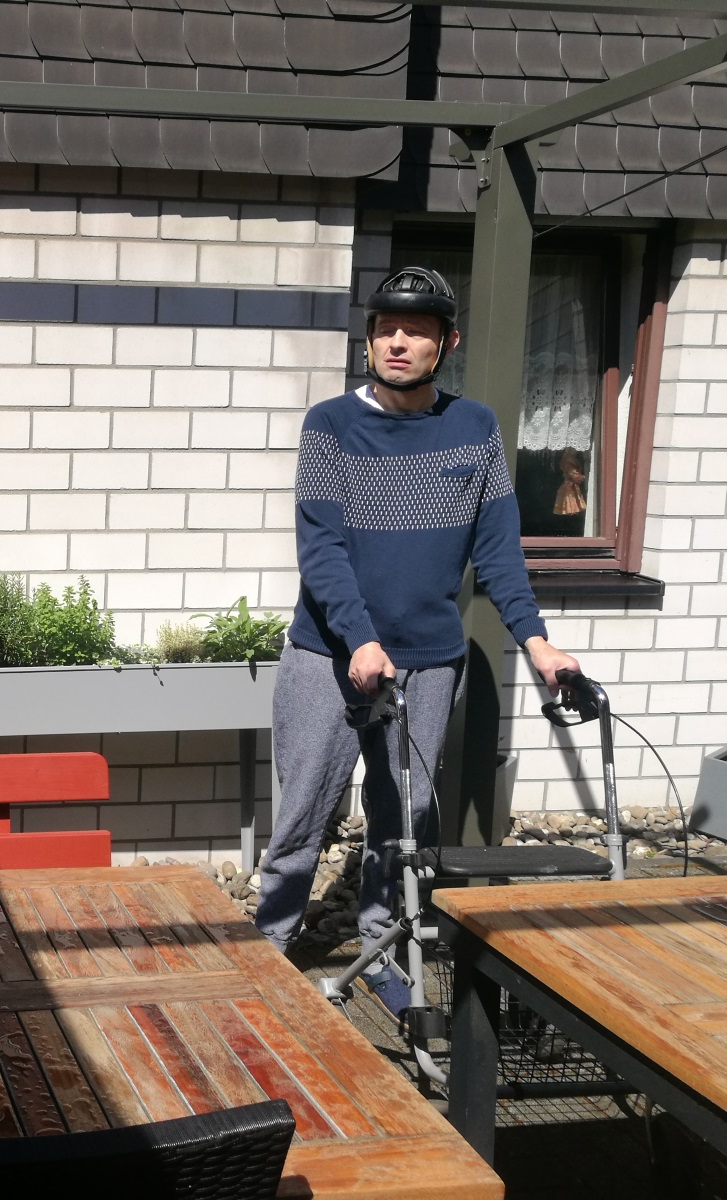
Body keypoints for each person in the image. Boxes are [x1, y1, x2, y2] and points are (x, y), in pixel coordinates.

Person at [254, 267, 580, 1014]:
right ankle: (266, 949)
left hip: (429, 662)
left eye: (417, 330)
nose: (398, 342)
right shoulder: (330, 425)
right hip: (329, 655)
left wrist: (538, 643)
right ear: (370, 339)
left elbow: (498, 553)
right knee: (303, 810)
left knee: (402, 821)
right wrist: (360, 640)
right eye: (385, 329)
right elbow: (322, 549)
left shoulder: (475, 429)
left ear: (447, 343)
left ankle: (382, 948)